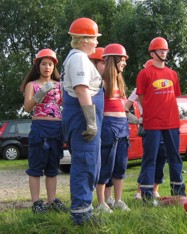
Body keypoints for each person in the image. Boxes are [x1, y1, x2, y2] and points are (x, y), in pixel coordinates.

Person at [61, 17, 104, 225]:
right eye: (95, 38)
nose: (96, 42)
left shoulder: (78, 58)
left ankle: (84, 209)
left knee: (89, 162)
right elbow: (82, 89)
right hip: (81, 116)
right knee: (85, 163)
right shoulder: (78, 58)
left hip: (79, 115)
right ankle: (81, 215)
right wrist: (91, 121)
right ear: (85, 39)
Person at [136, 37, 185, 202]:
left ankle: (178, 192)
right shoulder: (144, 74)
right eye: (160, 49)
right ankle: (147, 195)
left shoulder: (172, 74)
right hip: (152, 123)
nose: (164, 52)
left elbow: (174, 97)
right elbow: (141, 97)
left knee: (174, 157)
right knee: (150, 158)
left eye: (165, 50)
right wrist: (150, 111)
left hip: (172, 122)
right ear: (152, 53)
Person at [20, 48, 68, 214]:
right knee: (36, 167)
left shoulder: (60, 85)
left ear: (54, 67)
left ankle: (51, 201)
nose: (47, 67)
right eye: (44, 64)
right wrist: (42, 91)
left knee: (53, 168)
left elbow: (66, 105)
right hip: (40, 127)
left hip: (57, 128)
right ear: (37, 66)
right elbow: (27, 107)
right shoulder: (31, 85)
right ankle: (36, 203)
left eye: (50, 64)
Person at [94, 43, 131, 213]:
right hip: (108, 127)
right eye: (122, 60)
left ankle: (117, 200)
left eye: (124, 60)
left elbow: (123, 107)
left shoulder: (120, 83)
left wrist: (134, 118)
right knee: (105, 165)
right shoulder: (102, 83)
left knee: (120, 165)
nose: (124, 63)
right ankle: (101, 202)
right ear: (113, 61)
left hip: (123, 127)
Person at [126, 59, 166, 200]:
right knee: (149, 158)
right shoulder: (139, 88)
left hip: (164, 125)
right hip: (149, 127)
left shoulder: (163, 86)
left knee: (162, 157)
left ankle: (155, 189)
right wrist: (138, 120)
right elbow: (125, 107)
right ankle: (140, 191)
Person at [88, 47, 116, 207]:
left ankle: (108, 197)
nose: (106, 66)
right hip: (98, 126)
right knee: (99, 164)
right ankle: (97, 201)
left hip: (110, 127)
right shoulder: (94, 83)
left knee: (110, 164)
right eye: (103, 63)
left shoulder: (110, 82)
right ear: (94, 63)